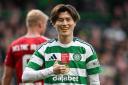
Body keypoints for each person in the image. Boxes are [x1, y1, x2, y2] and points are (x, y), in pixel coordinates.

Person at [22, 4, 101, 85]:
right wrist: (52, 70)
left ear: (75, 22)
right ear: (54, 23)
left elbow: (95, 82)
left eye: (68, 19)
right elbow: (25, 76)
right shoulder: (44, 49)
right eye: (60, 20)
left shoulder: (86, 49)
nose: (64, 23)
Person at [2, 9, 49, 85]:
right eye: (45, 25)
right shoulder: (49, 44)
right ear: (40, 24)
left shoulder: (14, 45)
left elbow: (7, 76)